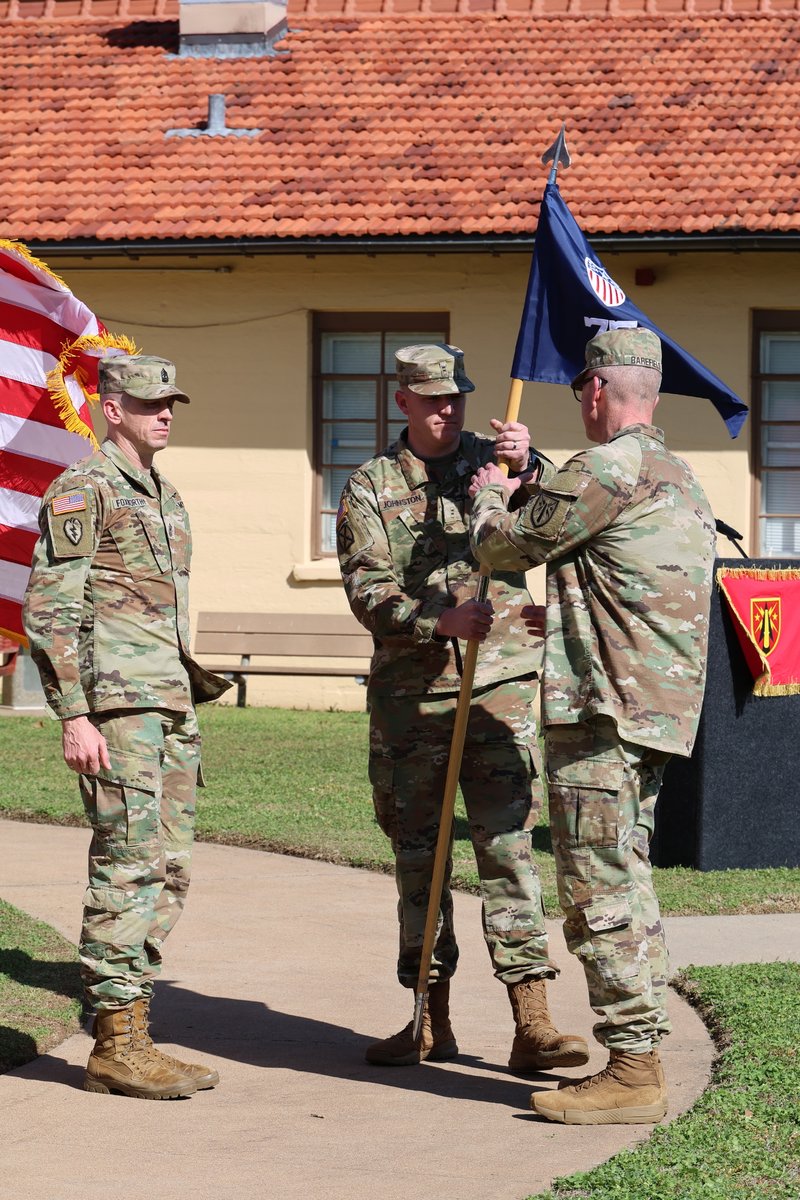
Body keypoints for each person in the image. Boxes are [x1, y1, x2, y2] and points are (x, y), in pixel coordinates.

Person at [468, 328, 715, 1124]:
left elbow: (510, 547)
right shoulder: (680, 475)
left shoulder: (607, 467)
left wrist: (487, 494)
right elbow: (622, 577)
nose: (580, 402)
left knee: (599, 888)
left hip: (603, 712)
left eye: (581, 390)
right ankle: (639, 1046)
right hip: (654, 710)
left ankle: (635, 1070)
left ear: (601, 391)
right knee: (629, 878)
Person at [336, 342, 589, 1071]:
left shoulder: (498, 463)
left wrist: (532, 466)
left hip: (500, 685)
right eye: (434, 398)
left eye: (457, 397)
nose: (448, 410)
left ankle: (532, 1023)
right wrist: (432, 621)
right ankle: (426, 1017)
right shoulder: (372, 485)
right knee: (422, 858)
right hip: (414, 700)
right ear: (403, 401)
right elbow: (365, 586)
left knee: (508, 850)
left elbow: (556, 527)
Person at [23, 355, 231, 1100]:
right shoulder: (85, 487)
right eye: (148, 404)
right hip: (118, 707)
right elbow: (49, 608)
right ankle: (114, 1042)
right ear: (112, 409)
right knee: (127, 861)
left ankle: (134, 1028)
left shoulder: (164, 493)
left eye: (170, 401)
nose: (164, 413)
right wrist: (74, 714)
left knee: (168, 866)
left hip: (169, 700)